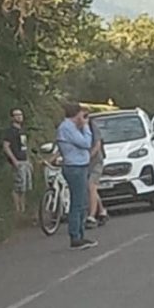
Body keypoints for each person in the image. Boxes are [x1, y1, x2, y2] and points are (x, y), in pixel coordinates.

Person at [56, 101, 97, 250]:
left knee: (82, 201)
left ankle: (80, 234)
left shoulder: (72, 127)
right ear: (76, 114)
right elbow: (86, 143)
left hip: (80, 166)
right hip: (74, 167)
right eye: (82, 113)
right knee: (77, 202)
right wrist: (85, 126)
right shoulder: (67, 128)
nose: (84, 116)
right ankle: (75, 236)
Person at [2, 107, 32, 217]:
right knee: (17, 187)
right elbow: (6, 146)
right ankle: (17, 210)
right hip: (17, 162)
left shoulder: (22, 131)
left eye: (20, 114)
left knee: (24, 187)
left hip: (24, 161)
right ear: (12, 118)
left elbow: (24, 147)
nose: (19, 116)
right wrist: (14, 160)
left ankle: (23, 209)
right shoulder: (10, 131)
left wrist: (28, 160)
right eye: (16, 115)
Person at [85, 113, 108, 228]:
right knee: (91, 190)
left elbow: (97, 145)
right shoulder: (76, 128)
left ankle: (91, 216)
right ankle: (102, 211)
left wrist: (89, 156)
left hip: (96, 162)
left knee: (91, 186)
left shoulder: (93, 127)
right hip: (84, 164)